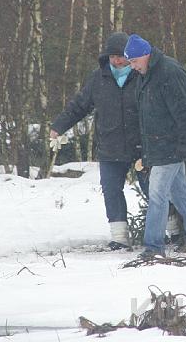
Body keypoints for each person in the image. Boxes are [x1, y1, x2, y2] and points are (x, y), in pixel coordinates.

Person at [50, 32, 147, 250]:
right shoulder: (98, 78)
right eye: (112, 56)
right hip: (110, 146)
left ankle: (173, 230)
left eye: (120, 56)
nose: (116, 61)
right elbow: (79, 106)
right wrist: (59, 126)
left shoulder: (141, 74)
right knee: (111, 191)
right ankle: (119, 237)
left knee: (153, 189)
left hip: (141, 145)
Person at [124, 33, 186, 258]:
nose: (133, 67)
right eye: (130, 62)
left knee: (157, 195)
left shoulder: (169, 72)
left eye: (134, 61)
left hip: (171, 147)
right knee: (180, 193)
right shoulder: (145, 75)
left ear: (146, 55)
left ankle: (153, 247)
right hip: (157, 147)